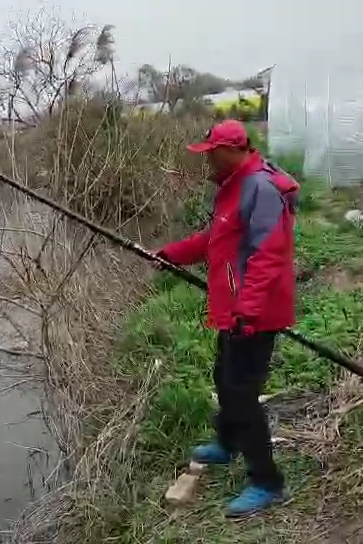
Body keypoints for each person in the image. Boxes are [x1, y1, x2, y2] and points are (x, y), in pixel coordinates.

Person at [155, 119, 299, 517]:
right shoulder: (234, 185)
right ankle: (228, 442)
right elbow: (214, 238)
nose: (208, 163)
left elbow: (268, 256)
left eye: (212, 154)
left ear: (232, 149)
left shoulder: (262, 189)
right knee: (225, 377)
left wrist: (248, 312)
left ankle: (267, 482)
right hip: (235, 307)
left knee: (241, 393)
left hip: (255, 312)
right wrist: (173, 253)